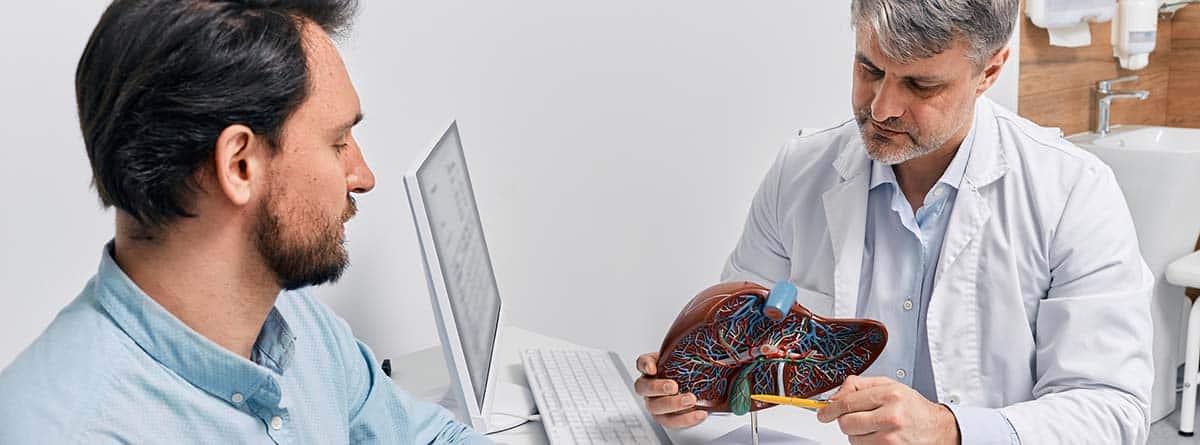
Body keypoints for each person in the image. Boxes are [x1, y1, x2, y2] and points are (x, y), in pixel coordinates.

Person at [634, 0, 1154, 444]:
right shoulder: (800, 171)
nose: (882, 107)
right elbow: (741, 338)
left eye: (920, 85)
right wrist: (699, 395)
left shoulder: (1074, 191)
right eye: (870, 69)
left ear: (990, 71)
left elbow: (1111, 408)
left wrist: (949, 428)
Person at [0, 1, 490, 443]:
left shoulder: (296, 320)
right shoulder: (65, 430)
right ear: (239, 165)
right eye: (338, 143)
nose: (362, 177)